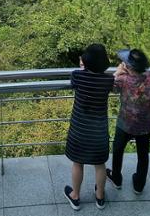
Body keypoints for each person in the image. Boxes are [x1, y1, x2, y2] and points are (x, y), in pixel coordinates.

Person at [64, 44, 114, 211]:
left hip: (79, 129)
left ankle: (75, 196)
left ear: (85, 62)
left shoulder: (77, 76)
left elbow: (75, 82)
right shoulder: (108, 80)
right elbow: (107, 79)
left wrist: (82, 68)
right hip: (98, 131)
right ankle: (100, 197)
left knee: (78, 163)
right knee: (100, 165)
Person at [106, 49, 150, 194]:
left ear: (129, 66)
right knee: (143, 154)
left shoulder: (123, 80)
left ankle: (116, 178)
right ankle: (139, 185)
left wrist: (117, 72)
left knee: (118, 150)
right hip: (145, 123)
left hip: (126, 123)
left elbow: (109, 87)